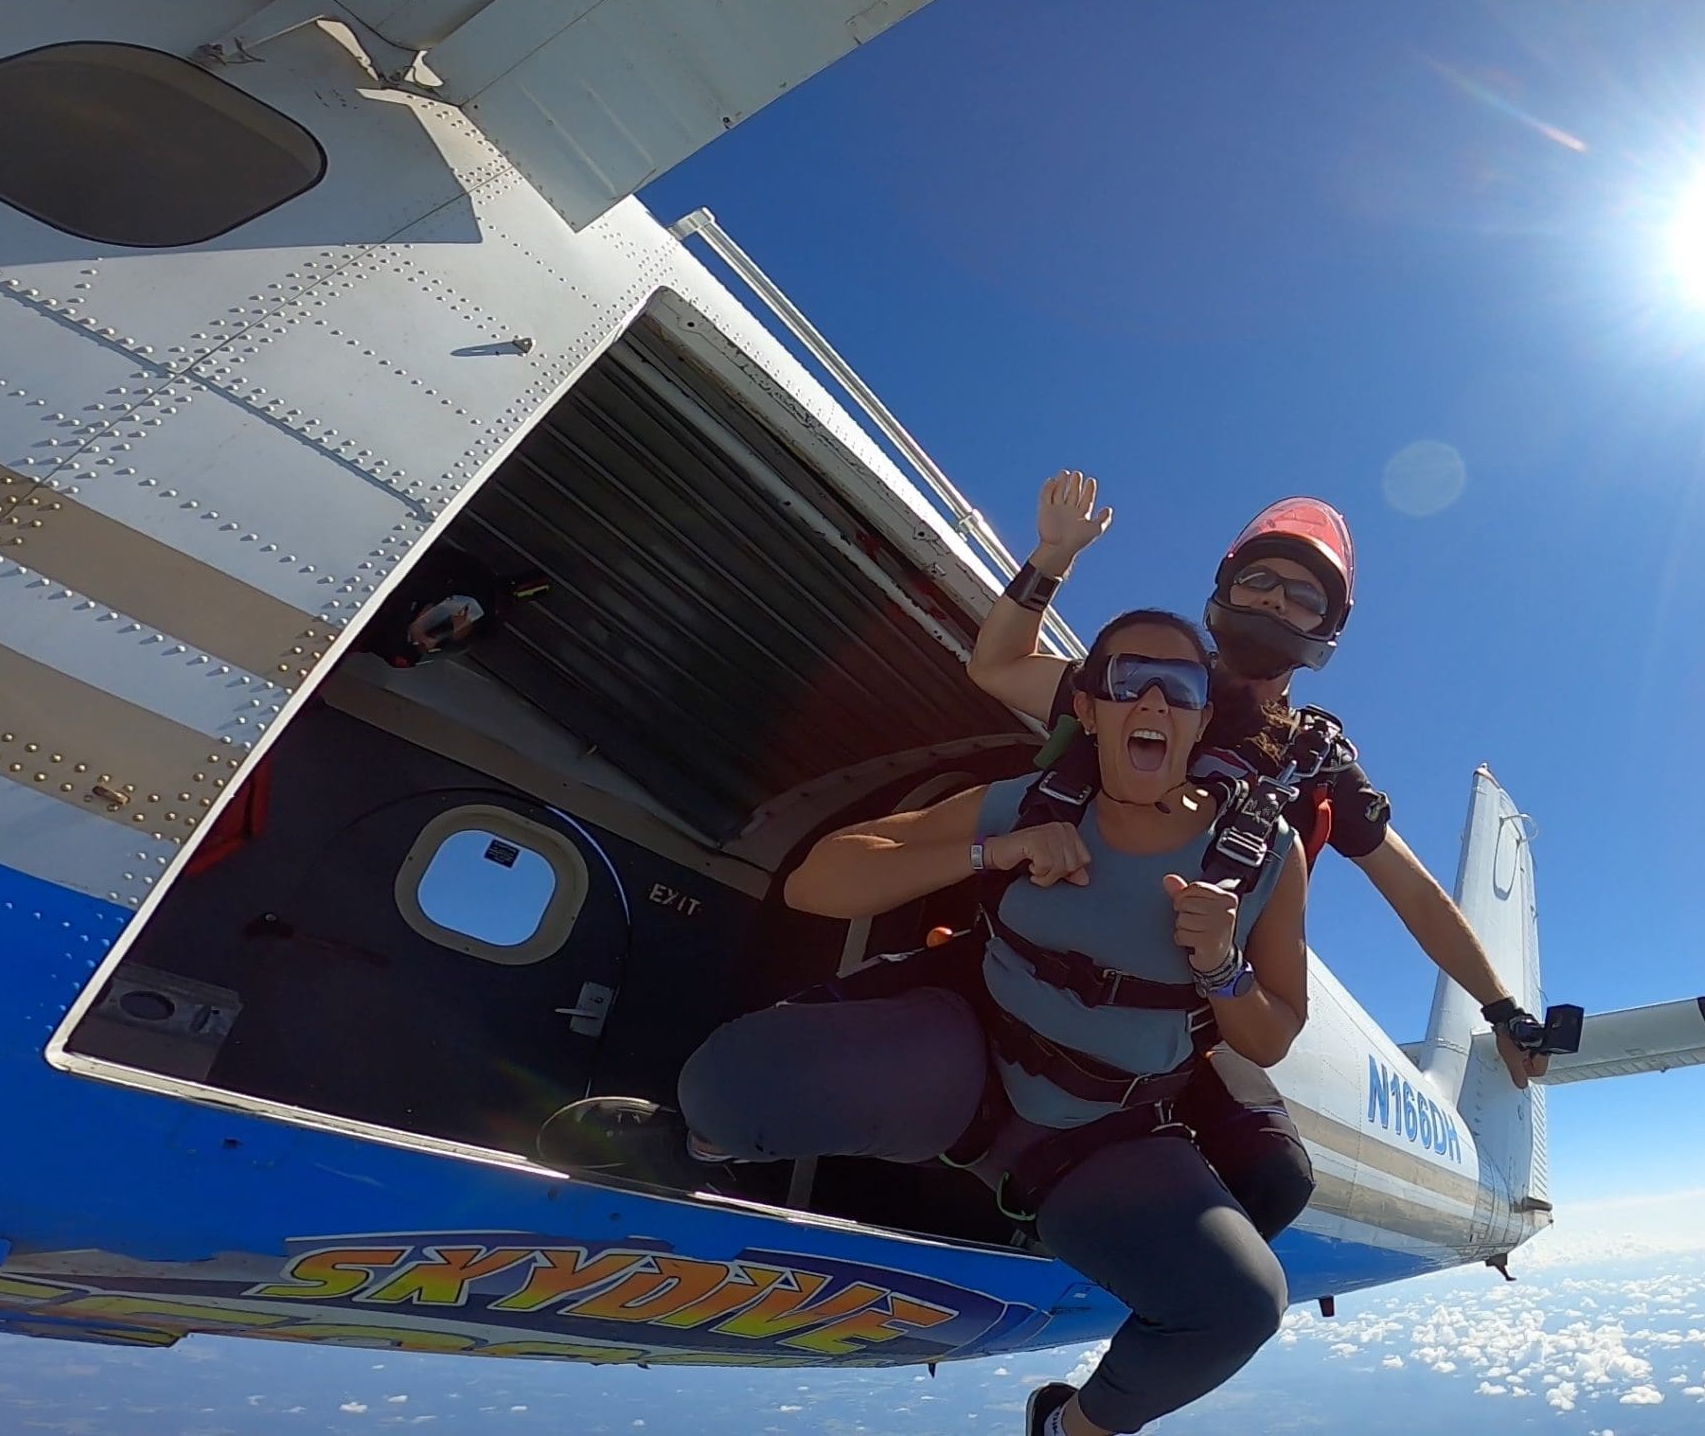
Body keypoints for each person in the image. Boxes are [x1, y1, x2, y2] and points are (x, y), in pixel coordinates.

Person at [543, 610, 1307, 1436]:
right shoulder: (1031, 801)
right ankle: (693, 1145)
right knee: (722, 1088)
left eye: (1180, 687)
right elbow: (817, 882)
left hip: (1105, 1135)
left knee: (1241, 1306)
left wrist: (1222, 967)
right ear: (1088, 708)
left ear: (1198, 719)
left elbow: (1271, 1034)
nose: (1152, 701)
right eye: (1127, 680)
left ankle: (1067, 1428)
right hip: (969, 1063)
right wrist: (989, 852)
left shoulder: (1263, 854)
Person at [967, 474, 1554, 1238]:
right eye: (1260, 579)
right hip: (1035, 951)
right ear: (1225, 589)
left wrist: (1504, 1009)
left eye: (1303, 596)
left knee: (1275, 1175)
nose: (1277, 601)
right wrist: (1051, 559)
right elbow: (998, 665)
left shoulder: (1316, 763)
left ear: (1326, 629)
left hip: (1179, 1000)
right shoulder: (1143, 679)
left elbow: (1413, 895)